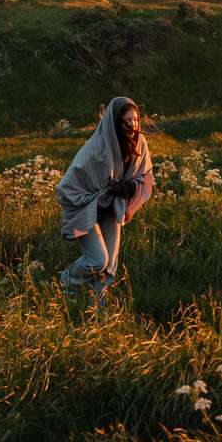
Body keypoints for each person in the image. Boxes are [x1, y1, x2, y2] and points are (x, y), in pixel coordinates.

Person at [57, 97, 153, 303]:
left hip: (111, 206)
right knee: (98, 260)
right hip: (87, 206)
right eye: (126, 121)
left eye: (135, 120)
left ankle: (98, 314)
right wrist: (97, 194)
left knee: (109, 268)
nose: (132, 126)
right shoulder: (97, 149)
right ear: (114, 122)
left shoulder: (140, 143)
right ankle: (68, 283)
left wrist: (128, 187)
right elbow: (66, 188)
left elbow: (144, 177)